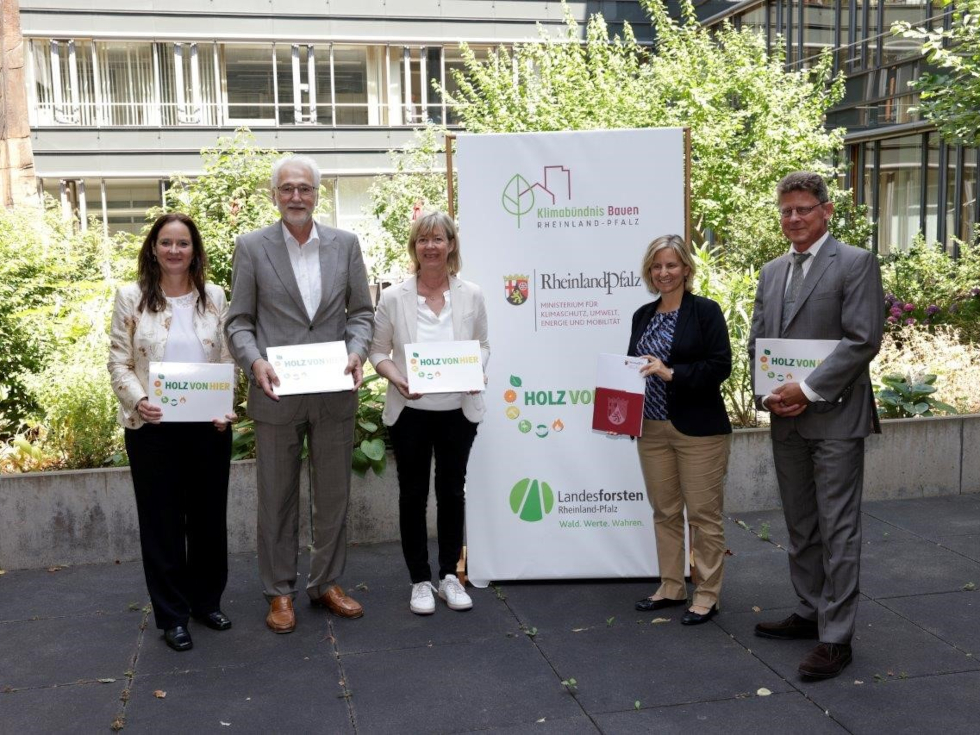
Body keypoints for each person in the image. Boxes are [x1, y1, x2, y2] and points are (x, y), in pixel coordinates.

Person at [225, 154, 374, 633]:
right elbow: (238, 322)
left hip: (333, 392)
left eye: (305, 188)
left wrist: (357, 352)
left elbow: (362, 314)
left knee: (333, 497)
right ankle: (280, 592)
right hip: (276, 393)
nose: (296, 197)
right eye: (287, 188)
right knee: (276, 499)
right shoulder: (251, 247)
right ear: (275, 194)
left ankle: (326, 583)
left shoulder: (345, 245)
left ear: (317, 194)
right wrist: (255, 362)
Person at [748, 171, 884, 679]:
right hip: (785, 421)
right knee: (801, 525)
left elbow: (862, 340)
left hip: (835, 417)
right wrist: (768, 393)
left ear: (826, 211)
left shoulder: (855, 262)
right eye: (786, 211)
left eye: (804, 209)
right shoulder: (770, 271)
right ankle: (809, 610)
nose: (794, 219)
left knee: (838, 528)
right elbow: (760, 342)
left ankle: (836, 637)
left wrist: (803, 390)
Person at [107, 213, 236, 652]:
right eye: (167, 242)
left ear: (195, 251)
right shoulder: (131, 298)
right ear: (153, 248)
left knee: (207, 519)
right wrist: (138, 401)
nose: (175, 251)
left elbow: (228, 359)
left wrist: (225, 407)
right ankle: (172, 614)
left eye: (183, 243)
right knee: (161, 523)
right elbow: (119, 363)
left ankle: (206, 602)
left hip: (208, 427)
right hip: (153, 429)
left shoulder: (215, 297)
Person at [369, 211, 489, 615]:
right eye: (423, 240)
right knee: (413, 495)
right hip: (411, 412)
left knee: (452, 492)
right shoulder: (392, 297)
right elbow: (376, 351)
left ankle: (450, 576)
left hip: (458, 409)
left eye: (439, 239)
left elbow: (483, 344)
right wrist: (398, 378)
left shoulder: (471, 294)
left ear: (451, 245)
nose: (431, 246)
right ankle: (420, 580)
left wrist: (476, 370)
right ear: (414, 247)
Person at [627, 234, 733, 626]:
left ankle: (707, 594)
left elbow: (721, 366)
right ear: (649, 272)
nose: (664, 272)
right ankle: (672, 586)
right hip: (651, 429)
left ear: (686, 269)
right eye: (657, 266)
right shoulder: (642, 315)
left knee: (704, 516)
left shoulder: (705, 311)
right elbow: (633, 371)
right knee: (665, 512)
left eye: (671, 265)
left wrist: (673, 373)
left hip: (698, 430)